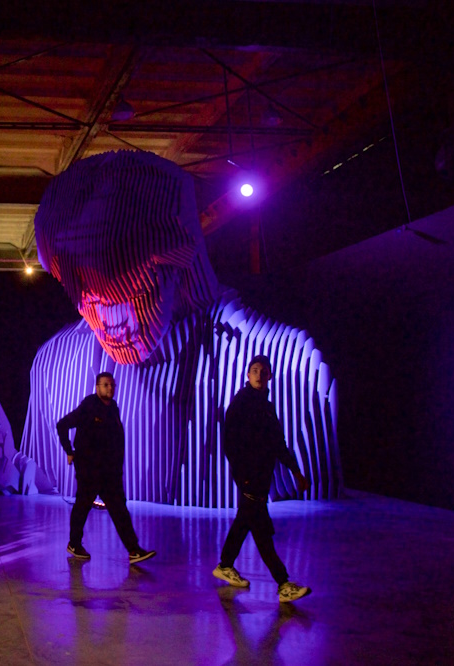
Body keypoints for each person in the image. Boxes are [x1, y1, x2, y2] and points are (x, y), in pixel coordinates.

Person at [22, 150, 341, 509]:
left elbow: (316, 523)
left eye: (133, 291)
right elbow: (35, 490)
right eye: (87, 299)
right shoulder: (51, 365)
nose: (111, 322)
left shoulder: (296, 373)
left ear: (182, 259)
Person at [213, 356, 312, 603]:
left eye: (263, 371)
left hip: (260, 477)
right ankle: (283, 583)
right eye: (255, 370)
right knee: (261, 531)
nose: (259, 375)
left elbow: (278, 443)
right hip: (250, 478)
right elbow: (230, 444)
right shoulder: (241, 403)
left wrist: (295, 471)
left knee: (245, 522)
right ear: (248, 375)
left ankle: (225, 565)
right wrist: (243, 477)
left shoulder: (266, 407)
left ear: (269, 376)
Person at [58, 372, 156, 564]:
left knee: (119, 509)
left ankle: (134, 550)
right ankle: (74, 544)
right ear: (97, 387)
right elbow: (62, 425)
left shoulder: (113, 408)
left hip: (109, 472)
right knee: (83, 506)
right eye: (105, 385)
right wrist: (69, 451)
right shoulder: (89, 406)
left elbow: (116, 441)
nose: (110, 388)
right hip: (89, 469)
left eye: (112, 385)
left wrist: (117, 469)